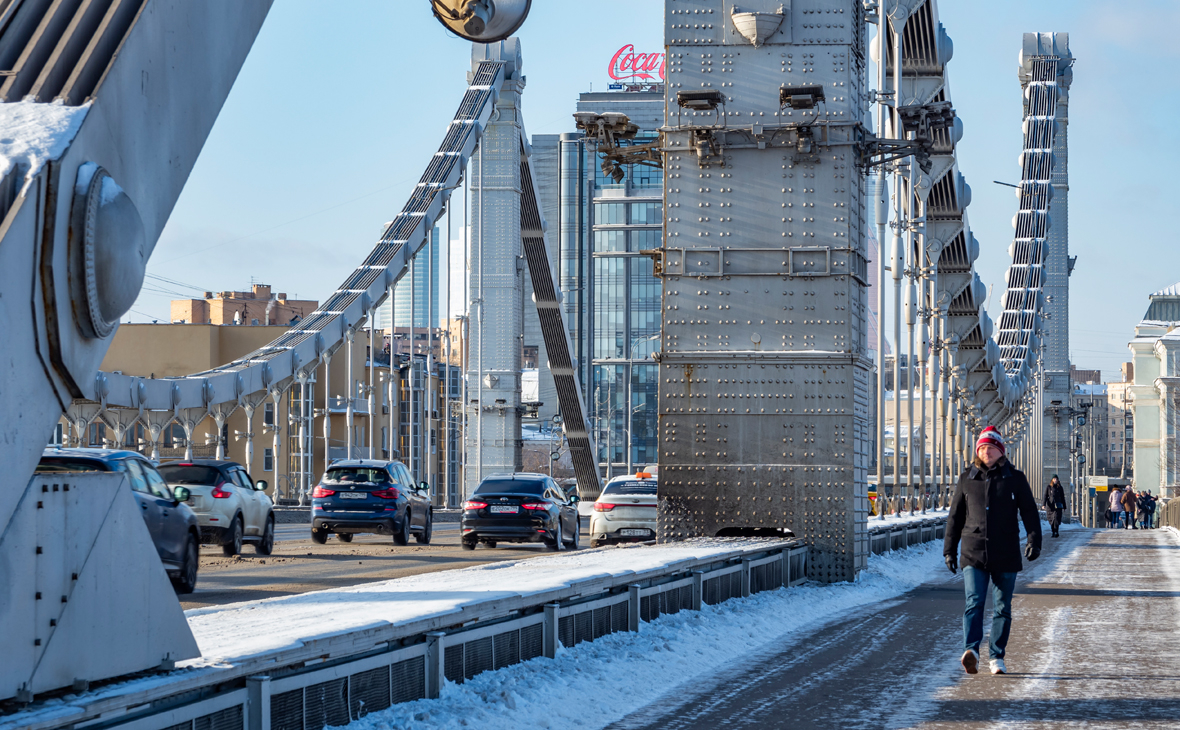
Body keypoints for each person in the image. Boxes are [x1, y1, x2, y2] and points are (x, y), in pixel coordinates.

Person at [944, 426, 1041, 676]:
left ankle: (996, 656)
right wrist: (949, 550)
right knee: (974, 602)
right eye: (982, 448)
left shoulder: (1015, 478)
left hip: (1006, 551)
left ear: (1000, 451)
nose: (986, 451)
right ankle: (971, 651)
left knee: (1002, 607)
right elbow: (955, 517)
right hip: (973, 551)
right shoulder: (966, 479)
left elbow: (1029, 511)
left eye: (991, 447)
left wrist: (1034, 540)